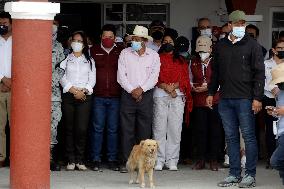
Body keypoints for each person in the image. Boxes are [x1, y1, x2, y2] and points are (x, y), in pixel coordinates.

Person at [207, 10, 264, 187]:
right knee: (231, 137)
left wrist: (257, 98)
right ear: (229, 25)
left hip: (245, 99)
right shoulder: (221, 45)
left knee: (248, 137)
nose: (241, 26)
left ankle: (250, 175)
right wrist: (210, 92)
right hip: (225, 99)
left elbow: (259, 73)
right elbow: (215, 72)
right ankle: (233, 174)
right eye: (237, 23)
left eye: (243, 23)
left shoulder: (252, 45)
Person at [117, 25, 160, 173]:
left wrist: (141, 89)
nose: (133, 41)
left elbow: (154, 77)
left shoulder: (154, 55)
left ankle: (144, 163)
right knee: (126, 130)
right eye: (133, 39)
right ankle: (127, 163)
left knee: (144, 130)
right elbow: (121, 76)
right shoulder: (124, 53)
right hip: (128, 94)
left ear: (144, 41)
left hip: (146, 94)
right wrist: (132, 90)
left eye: (136, 39)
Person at [153, 30, 192, 171]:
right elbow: (153, 76)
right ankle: (159, 160)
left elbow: (185, 79)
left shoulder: (181, 60)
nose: (167, 44)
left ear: (174, 44)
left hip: (177, 96)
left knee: (175, 129)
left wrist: (174, 87)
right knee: (159, 129)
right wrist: (165, 86)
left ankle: (172, 160)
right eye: (165, 42)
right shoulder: (155, 58)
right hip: (160, 95)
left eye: (170, 42)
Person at [60, 31, 96, 171]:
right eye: (74, 40)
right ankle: (71, 159)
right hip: (69, 95)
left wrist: (83, 91)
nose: (77, 43)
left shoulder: (90, 60)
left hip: (85, 96)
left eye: (80, 41)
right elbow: (62, 77)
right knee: (69, 128)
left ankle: (80, 159)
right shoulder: (66, 58)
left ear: (85, 44)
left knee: (81, 129)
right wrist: (74, 91)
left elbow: (92, 79)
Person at [90, 24, 123, 172]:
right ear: (101, 37)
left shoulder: (121, 51)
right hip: (98, 96)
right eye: (105, 36)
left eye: (110, 37)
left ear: (115, 38)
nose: (107, 39)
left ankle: (112, 159)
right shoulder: (93, 50)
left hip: (116, 97)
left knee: (113, 129)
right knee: (97, 129)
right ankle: (95, 159)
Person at [191, 36, 222, 171]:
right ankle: (201, 159)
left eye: (204, 50)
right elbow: (189, 78)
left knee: (215, 131)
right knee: (200, 131)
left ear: (211, 49)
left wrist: (209, 87)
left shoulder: (217, 62)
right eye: (200, 51)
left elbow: (222, 81)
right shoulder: (193, 62)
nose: (202, 53)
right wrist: (193, 87)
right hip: (199, 102)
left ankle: (213, 159)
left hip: (215, 101)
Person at [264, 39, 284, 168]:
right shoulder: (266, 63)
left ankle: (277, 158)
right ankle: (272, 156)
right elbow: (262, 80)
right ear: (274, 50)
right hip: (269, 97)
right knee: (271, 130)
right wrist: (274, 89)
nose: (282, 50)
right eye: (280, 48)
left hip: (281, 97)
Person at [50, 19, 66, 171]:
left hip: (53, 94)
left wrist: (51, 81)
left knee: (53, 127)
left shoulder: (59, 47)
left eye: (54, 31)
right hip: (35, 95)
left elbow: (62, 67)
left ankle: (51, 158)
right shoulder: (34, 44)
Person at [269, 63, 284, 185]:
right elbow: (280, 111)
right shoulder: (279, 93)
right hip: (280, 131)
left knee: (276, 161)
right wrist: (274, 111)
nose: (278, 85)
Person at [0, 12, 12, 168]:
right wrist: (3, 79)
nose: (2, 26)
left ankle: (15, 157)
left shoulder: (19, 40)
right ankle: (1, 157)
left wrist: (12, 82)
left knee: (16, 125)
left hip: (16, 87)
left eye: (4, 23)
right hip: (0, 85)